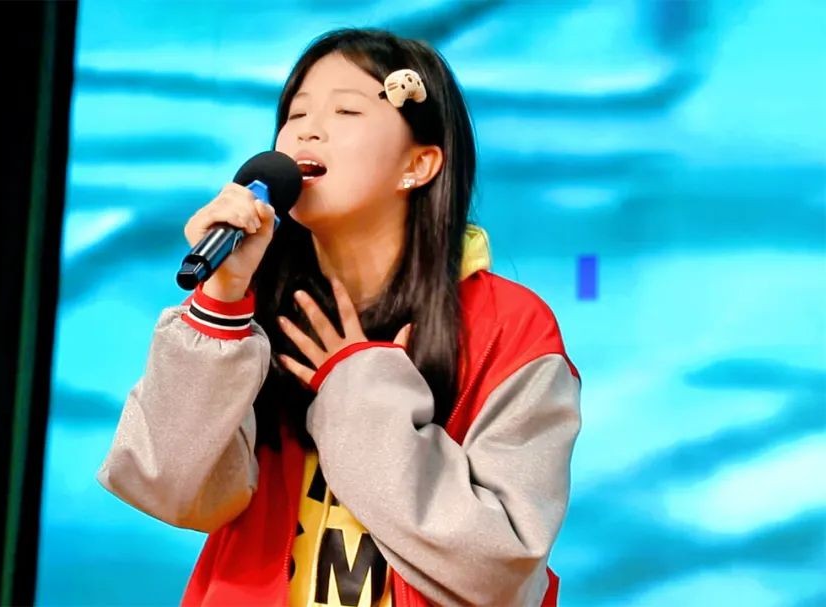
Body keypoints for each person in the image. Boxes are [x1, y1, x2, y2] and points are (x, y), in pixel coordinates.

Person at [96, 28, 582, 607]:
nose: (308, 130)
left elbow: (500, 568)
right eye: (296, 113)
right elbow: (171, 489)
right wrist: (220, 304)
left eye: (346, 111)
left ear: (419, 164)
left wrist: (359, 387)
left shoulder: (509, 325)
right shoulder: (255, 306)